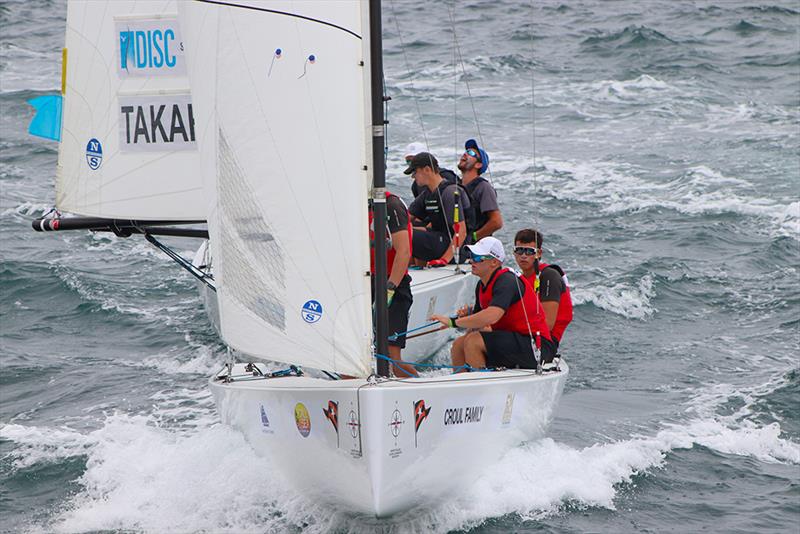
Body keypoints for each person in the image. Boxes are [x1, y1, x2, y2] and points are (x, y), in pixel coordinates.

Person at [431, 236, 556, 370]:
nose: (472, 261)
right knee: (459, 344)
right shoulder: (481, 285)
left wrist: (453, 322)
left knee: (474, 342)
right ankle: (462, 384)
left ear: (494, 262)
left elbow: (492, 315)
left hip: (537, 347)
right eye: (472, 256)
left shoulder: (507, 281)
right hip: (514, 340)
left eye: (479, 258)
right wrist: (460, 323)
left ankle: (479, 385)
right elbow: (478, 324)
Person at [369, 191, 418, 377]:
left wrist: (389, 289)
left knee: (391, 358)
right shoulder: (358, 204)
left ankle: (421, 394)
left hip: (393, 285)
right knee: (352, 356)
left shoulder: (391, 204)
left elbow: (404, 252)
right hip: (367, 282)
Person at [405, 152, 470, 266]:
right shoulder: (427, 194)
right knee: (400, 230)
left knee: (406, 234)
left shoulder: (450, 192)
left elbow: (461, 231)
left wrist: (444, 260)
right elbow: (405, 219)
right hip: (439, 239)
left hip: (457, 250)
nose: (413, 177)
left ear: (427, 169)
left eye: (415, 172)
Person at [513, 228, 573, 350]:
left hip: (545, 343)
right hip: (524, 336)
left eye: (529, 251)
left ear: (538, 253)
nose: (523, 256)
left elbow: (547, 324)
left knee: (476, 342)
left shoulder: (549, 276)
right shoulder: (520, 279)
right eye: (519, 250)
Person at [458, 138, 503, 244]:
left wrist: (473, 237)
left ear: (478, 165)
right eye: (465, 151)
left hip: (473, 248)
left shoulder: (483, 187)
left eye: (471, 153)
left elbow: (496, 222)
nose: (465, 154)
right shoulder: (456, 186)